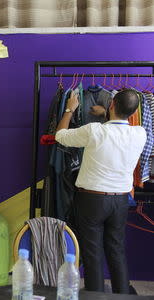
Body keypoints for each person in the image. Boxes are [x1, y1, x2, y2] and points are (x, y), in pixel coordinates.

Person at [55, 89, 147, 294]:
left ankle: (95, 297)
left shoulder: (94, 130)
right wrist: (107, 112)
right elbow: (118, 126)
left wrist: (70, 108)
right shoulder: (140, 133)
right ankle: (122, 296)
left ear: (112, 104)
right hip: (121, 201)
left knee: (92, 252)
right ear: (133, 114)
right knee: (116, 250)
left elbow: (60, 135)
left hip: (92, 200)